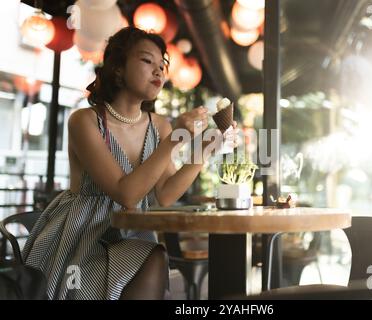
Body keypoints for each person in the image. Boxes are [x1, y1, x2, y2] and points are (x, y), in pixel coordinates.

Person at [22, 26, 238, 300]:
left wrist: (205, 150)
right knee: (152, 258)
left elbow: (166, 194)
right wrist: (173, 142)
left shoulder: (158, 125)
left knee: (153, 256)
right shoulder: (85, 121)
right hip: (82, 239)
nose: (158, 71)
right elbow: (126, 194)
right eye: (147, 61)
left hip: (132, 236)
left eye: (162, 64)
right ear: (118, 69)